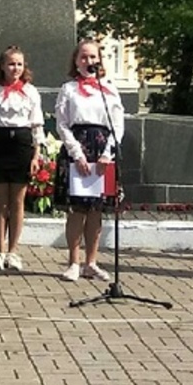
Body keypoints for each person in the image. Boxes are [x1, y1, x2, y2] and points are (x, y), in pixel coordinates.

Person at [54, 38, 126, 283]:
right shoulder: (69, 89)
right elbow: (62, 123)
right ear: (76, 61)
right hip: (79, 147)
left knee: (97, 210)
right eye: (83, 57)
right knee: (78, 209)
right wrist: (77, 153)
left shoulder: (108, 88)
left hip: (102, 149)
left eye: (93, 57)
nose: (89, 61)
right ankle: (73, 262)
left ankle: (91, 262)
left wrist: (108, 152)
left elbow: (117, 123)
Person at [0, 47, 44, 273]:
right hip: (0, 143)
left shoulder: (30, 92)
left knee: (17, 201)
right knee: (0, 202)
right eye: (11, 64)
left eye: (19, 64)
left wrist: (36, 155)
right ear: (2, 66)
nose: (15, 69)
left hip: (21, 144)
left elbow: (36, 125)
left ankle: (13, 251)